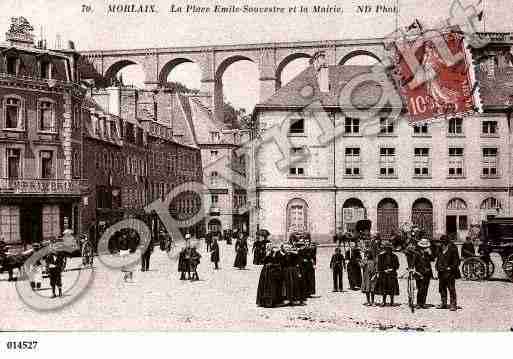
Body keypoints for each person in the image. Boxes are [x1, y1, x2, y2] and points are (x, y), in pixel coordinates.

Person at [435, 235, 460, 311]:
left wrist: (451, 268)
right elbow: (438, 258)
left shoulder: (453, 248)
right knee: (442, 288)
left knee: (451, 289)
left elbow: (457, 261)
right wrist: (437, 266)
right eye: (442, 242)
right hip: (441, 272)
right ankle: (444, 303)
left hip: (450, 273)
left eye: (444, 242)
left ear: (448, 241)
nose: (442, 243)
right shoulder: (439, 248)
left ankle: (453, 304)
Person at [410, 238, 434, 309]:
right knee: (420, 288)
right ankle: (418, 303)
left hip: (427, 273)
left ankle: (423, 303)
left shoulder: (428, 253)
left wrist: (430, 254)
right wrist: (412, 270)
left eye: (426, 247)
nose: (425, 248)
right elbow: (412, 264)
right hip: (419, 273)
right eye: (424, 247)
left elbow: (433, 259)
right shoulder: (416, 254)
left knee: (425, 288)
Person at [376, 241, 400, 306]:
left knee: (392, 288)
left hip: (392, 274)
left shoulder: (395, 256)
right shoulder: (380, 256)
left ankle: (392, 301)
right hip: (383, 274)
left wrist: (392, 269)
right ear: (385, 249)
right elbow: (379, 265)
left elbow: (397, 265)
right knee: (384, 288)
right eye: (386, 248)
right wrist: (384, 270)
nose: (388, 250)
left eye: (389, 249)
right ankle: (384, 301)